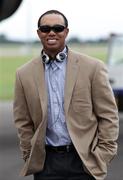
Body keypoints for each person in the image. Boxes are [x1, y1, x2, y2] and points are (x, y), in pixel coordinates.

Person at [13, 9, 119, 180]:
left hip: (84, 161)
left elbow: (108, 115)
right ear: (39, 33)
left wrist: (103, 154)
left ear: (66, 32)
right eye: (46, 29)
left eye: (58, 28)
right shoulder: (23, 74)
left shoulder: (93, 67)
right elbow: (22, 120)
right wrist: (28, 152)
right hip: (46, 164)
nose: (52, 33)